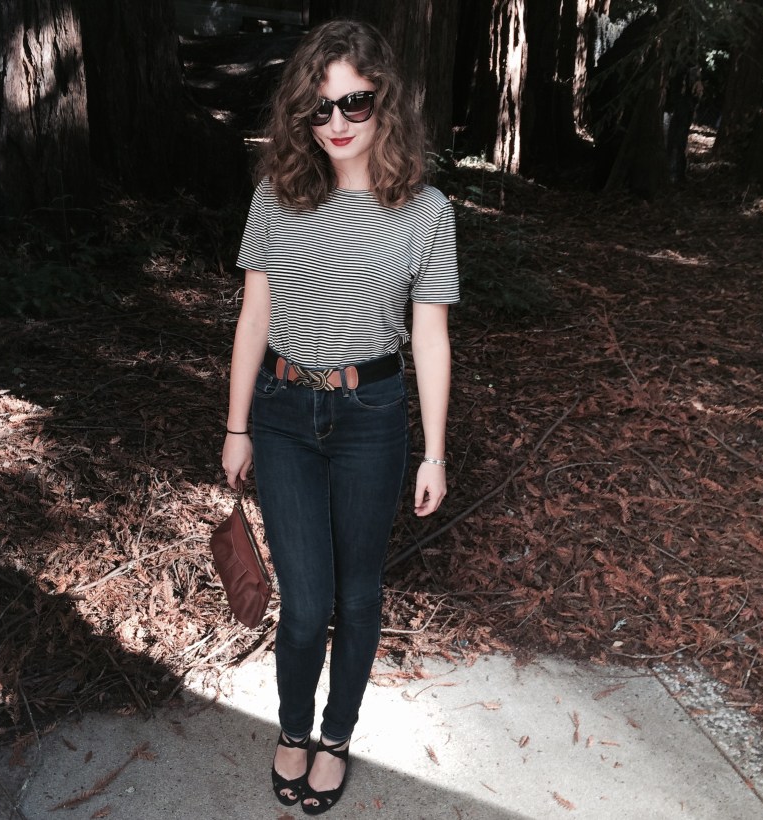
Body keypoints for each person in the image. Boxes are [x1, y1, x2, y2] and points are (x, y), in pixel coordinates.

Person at [221, 18, 459, 815]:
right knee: (307, 599)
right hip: (285, 414)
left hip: (373, 416)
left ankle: (336, 737)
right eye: (319, 110)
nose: (337, 124)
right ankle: (293, 727)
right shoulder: (276, 198)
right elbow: (254, 316)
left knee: (359, 597)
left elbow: (430, 336)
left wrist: (434, 452)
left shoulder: (425, 212)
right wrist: (236, 425)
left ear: (385, 101)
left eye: (354, 103)